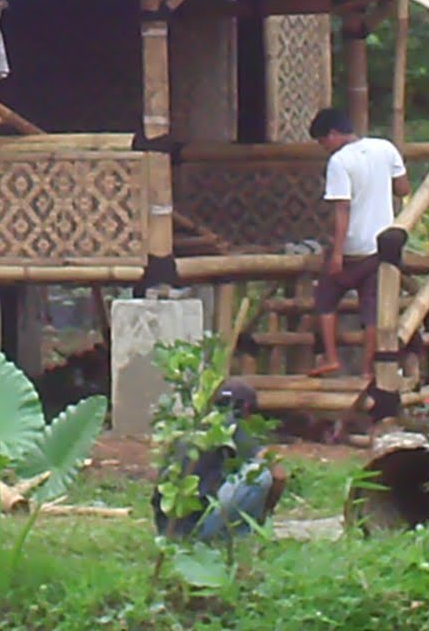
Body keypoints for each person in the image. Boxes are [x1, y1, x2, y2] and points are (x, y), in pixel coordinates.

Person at [307, 108, 409, 377]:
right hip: (382, 245)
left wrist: (337, 254)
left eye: (322, 141)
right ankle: (368, 369)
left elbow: (342, 211)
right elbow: (403, 188)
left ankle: (330, 358)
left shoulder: (339, 162)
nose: (324, 148)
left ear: (333, 134)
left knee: (325, 299)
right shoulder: (385, 148)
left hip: (354, 246)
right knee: (372, 310)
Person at [152, 380, 287, 542]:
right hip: (197, 529)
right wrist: (265, 515)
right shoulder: (231, 425)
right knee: (261, 474)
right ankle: (241, 533)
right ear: (245, 409)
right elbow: (279, 475)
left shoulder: (189, 426)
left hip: (167, 527)